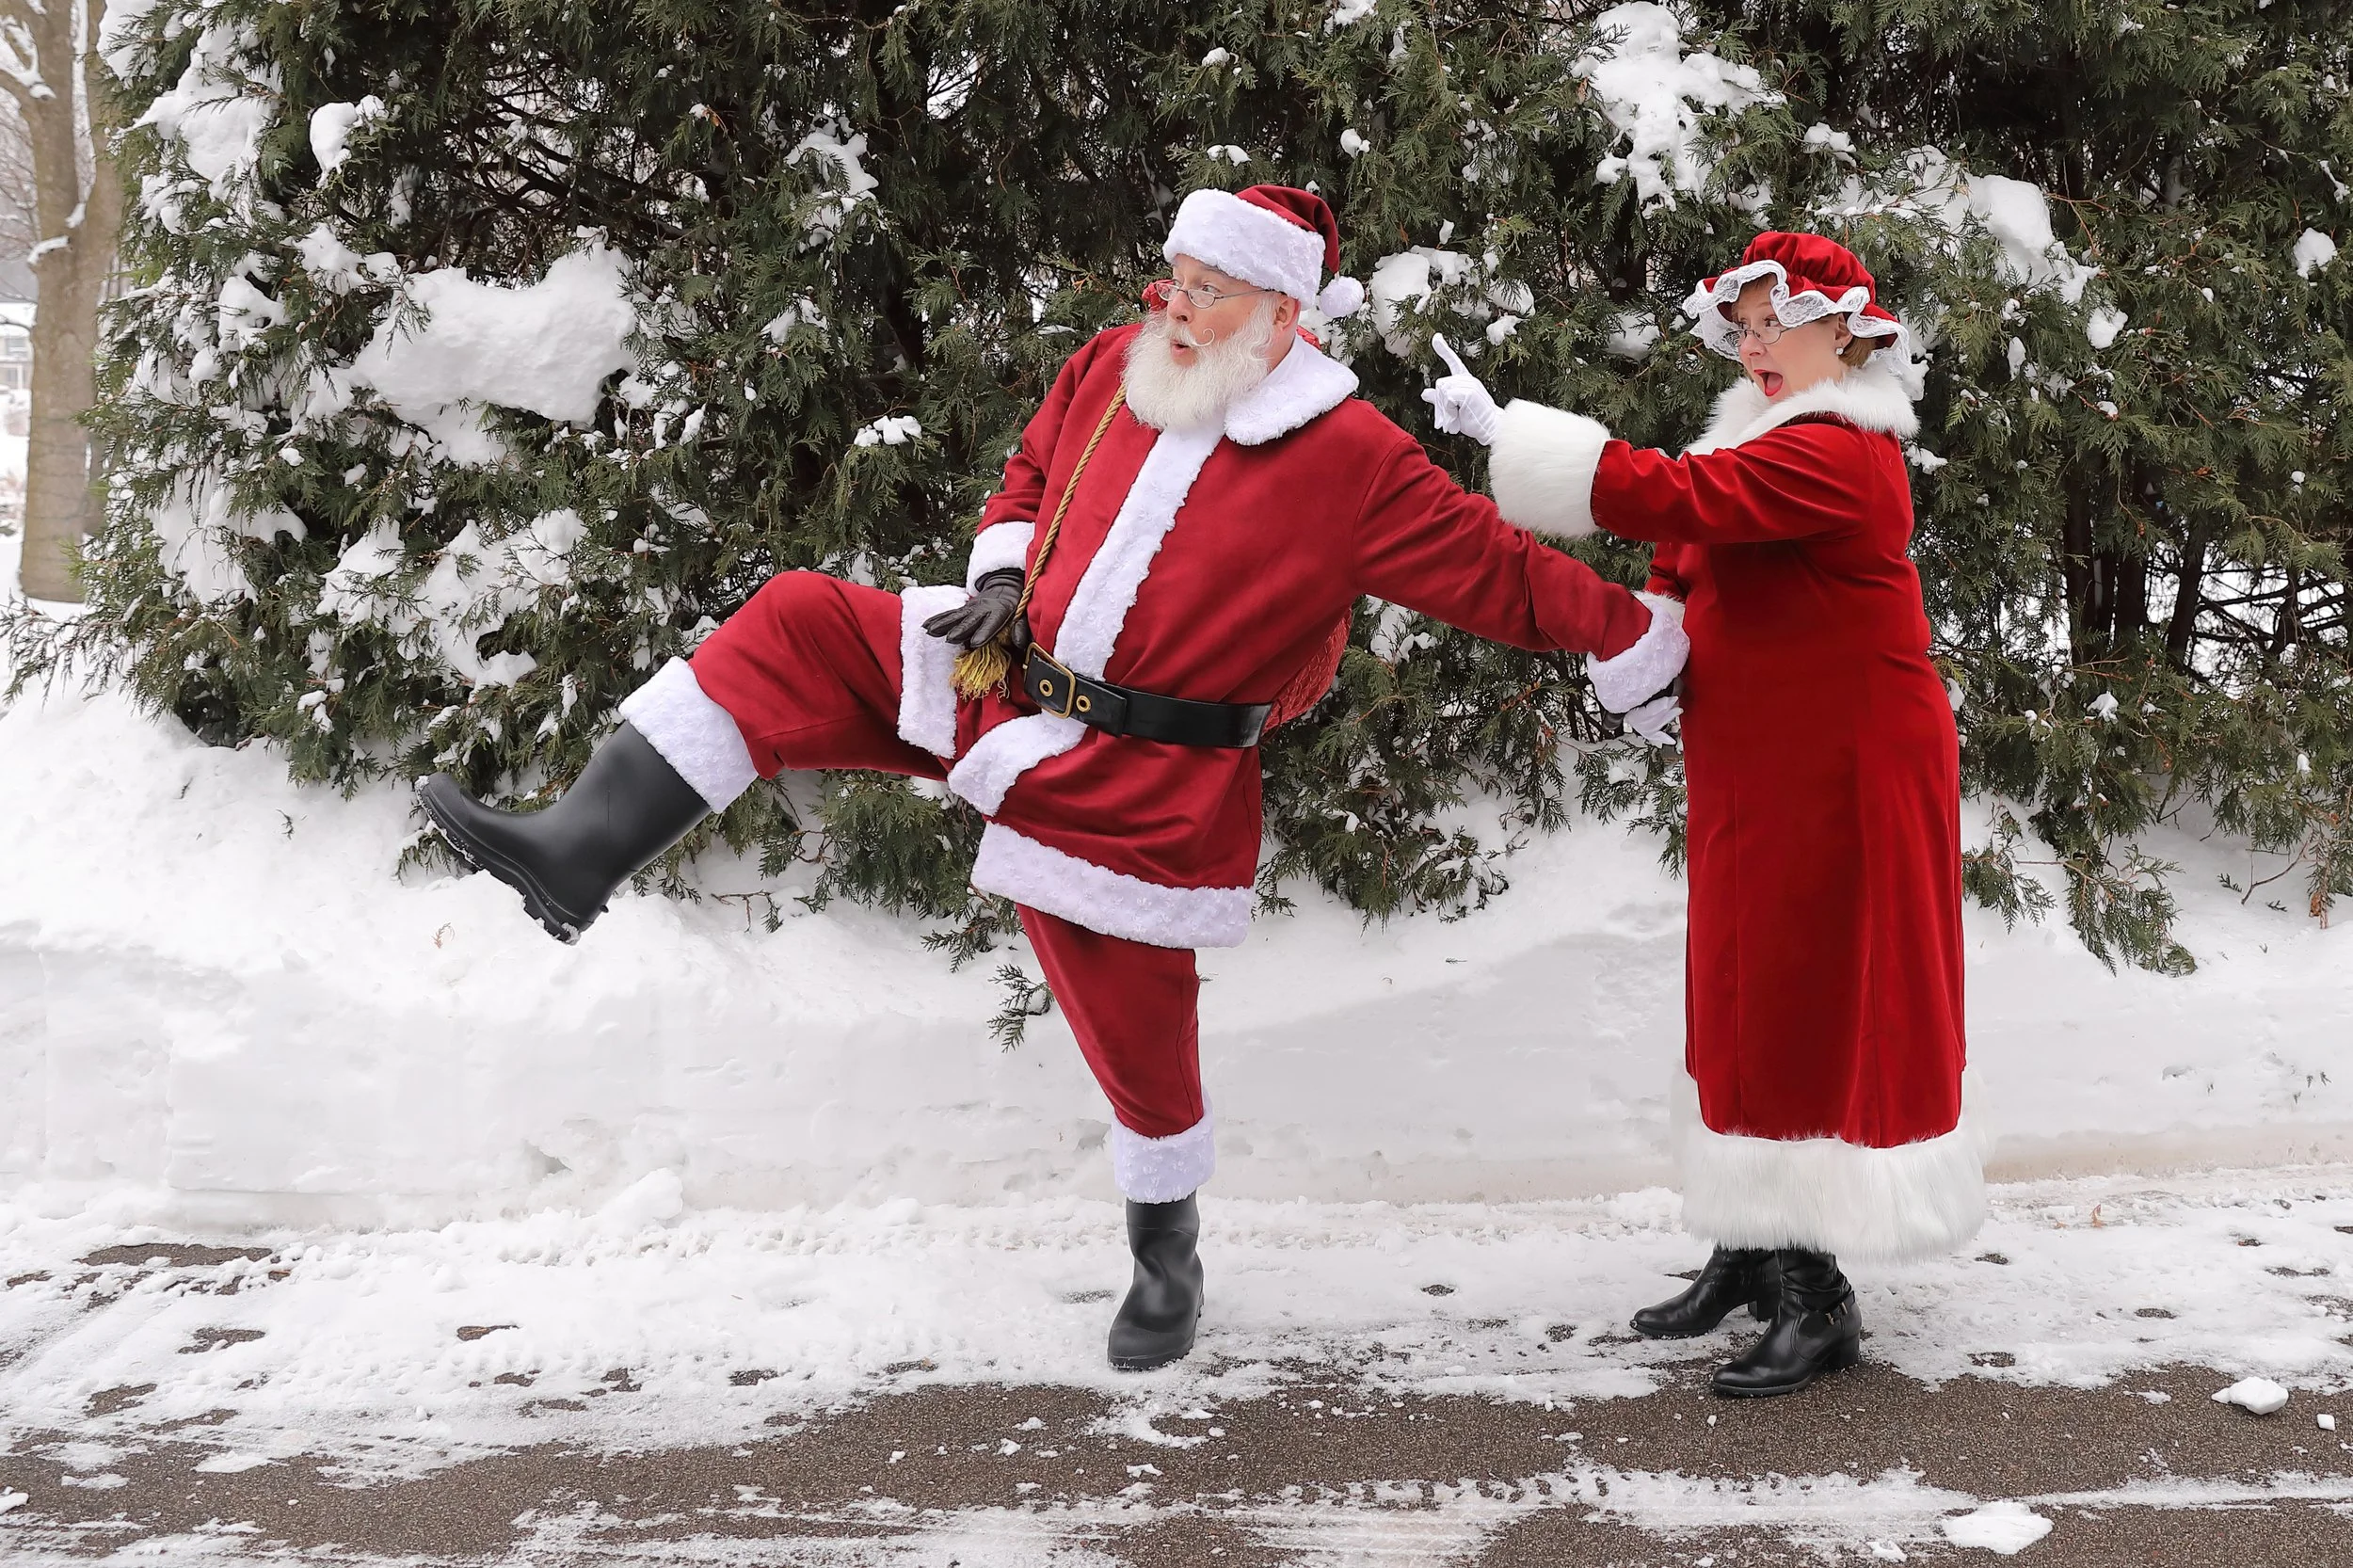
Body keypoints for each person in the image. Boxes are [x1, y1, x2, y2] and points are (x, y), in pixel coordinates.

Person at [418, 184, 1689, 1373]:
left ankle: (1166, 1255)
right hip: (999, 677)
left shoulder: (1348, 455)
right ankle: (576, 849)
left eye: (1205, 291)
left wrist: (1636, 639)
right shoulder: (1113, 363)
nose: (1171, 306)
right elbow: (1030, 472)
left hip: (1147, 778)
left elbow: (1498, 572)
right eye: (1171, 277)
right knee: (800, 620)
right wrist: (998, 578)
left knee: (1131, 1026)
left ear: (1281, 313)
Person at [1425, 232, 1979, 1398]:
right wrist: (1655, 643)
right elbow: (1687, 548)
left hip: (1846, 761)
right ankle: (1749, 1240)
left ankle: (1815, 1296)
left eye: (1779, 324)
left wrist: (1506, 435)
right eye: (1745, 327)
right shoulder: (1758, 433)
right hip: (1758, 749)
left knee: (1799, 995)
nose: (1756, 345)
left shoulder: (1841, 448)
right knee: (1739, 982)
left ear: (1848, 335)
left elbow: (1680, 498)